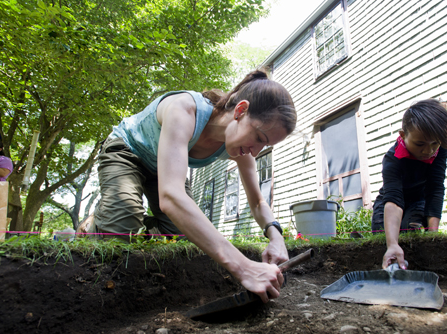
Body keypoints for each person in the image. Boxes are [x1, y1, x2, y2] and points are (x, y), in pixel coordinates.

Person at [93, 70, 297, 302]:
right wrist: (244, 267)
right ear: (240, 111)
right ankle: (103, 219)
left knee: (184, 236)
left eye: (266, 145)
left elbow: (258, 201)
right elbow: (171, 196)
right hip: (128, 150)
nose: (256, 152)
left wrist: (276, 237)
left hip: (163, 168)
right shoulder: (184, 109)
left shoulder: (242, 146)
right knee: (120, 226)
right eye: (260, 138)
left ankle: (130, 220)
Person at [371, 99, 447, 270]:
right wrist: (392, 244)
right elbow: (394, 200)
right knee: (382, 237)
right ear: (403, 135)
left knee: (410, 230)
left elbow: (435, 187)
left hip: (418, 199)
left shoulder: (439, 149)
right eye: (420, 144)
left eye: (434, 144)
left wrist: (432, 233)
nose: (428, 151)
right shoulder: (393, 158)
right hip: (390, 199)